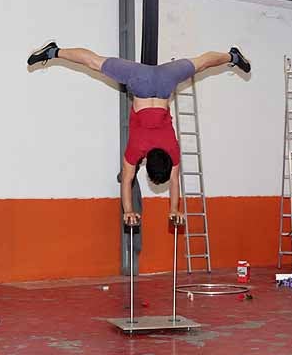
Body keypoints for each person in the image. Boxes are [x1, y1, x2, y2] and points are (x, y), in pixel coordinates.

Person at [27, 42, 250, 226]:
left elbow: (174, 181)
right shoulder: (137, 148)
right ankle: (54, 52)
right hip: (140, 81)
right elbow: (127, 181)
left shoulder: (172, 149)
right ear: (145, 162)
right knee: (95, 63)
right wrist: (129, 211)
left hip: (165, 80)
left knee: (201, 63)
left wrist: (174, 209)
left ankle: (232, 56)